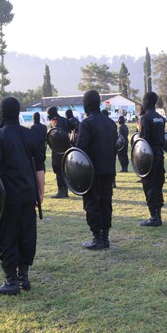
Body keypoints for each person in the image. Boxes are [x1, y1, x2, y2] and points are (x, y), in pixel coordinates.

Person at [0, 97, 45, 295]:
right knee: (26, 235)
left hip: (7, 199)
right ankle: (24, 277)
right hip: (28, 196)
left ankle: (11, 280)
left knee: (5, 236)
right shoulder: (31, 136)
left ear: (2, 113)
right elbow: (39, 167)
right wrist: (41, 192)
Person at [75, 90, 118, 250]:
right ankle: (105, 237)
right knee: (106, 203)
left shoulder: (86, 123)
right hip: (108, 170)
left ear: (86, 104)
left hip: (92, 172)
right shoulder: (111, 123)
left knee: (92, 204)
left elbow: (80, 150)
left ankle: (97, 238)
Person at [138, 92, 166, 227]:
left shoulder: (145, 118)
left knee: (149, 185)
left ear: (147, 102)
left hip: (150, 155)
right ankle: (158, 214)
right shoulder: (161, 118)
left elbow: (144, 140)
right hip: (160, 153)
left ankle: (154, 217)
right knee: (158, 183)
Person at [47, 106, 71, 198]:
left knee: (58, 170)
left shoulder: (54, 120)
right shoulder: (65, 120)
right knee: (64, 170)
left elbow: (56, 132)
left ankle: (61, 191)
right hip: (66, 148)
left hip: (58, 149)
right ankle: (65, 190)